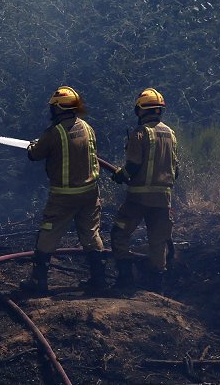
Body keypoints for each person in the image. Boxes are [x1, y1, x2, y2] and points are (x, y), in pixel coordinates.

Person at [21, 86, 106, 294]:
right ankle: (99, 280)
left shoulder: (55, 132)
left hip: (64, 197)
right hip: (90, 193)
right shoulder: (87, 127)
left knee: (48, 234)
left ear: (59, 108)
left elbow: (35, 154)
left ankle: (39, 282)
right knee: (91, 234)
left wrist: (33, 146)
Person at [109, 88, 178, 291]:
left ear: (140, 110)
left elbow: (132, 165)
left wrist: (120, 175)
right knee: (158, 241)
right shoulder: (171, 134)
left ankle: (125, 279)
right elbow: (176, 170)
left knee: (119, 233)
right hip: (163, 199)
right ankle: (156, 286)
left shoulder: (140, 133)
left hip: (138, 199)